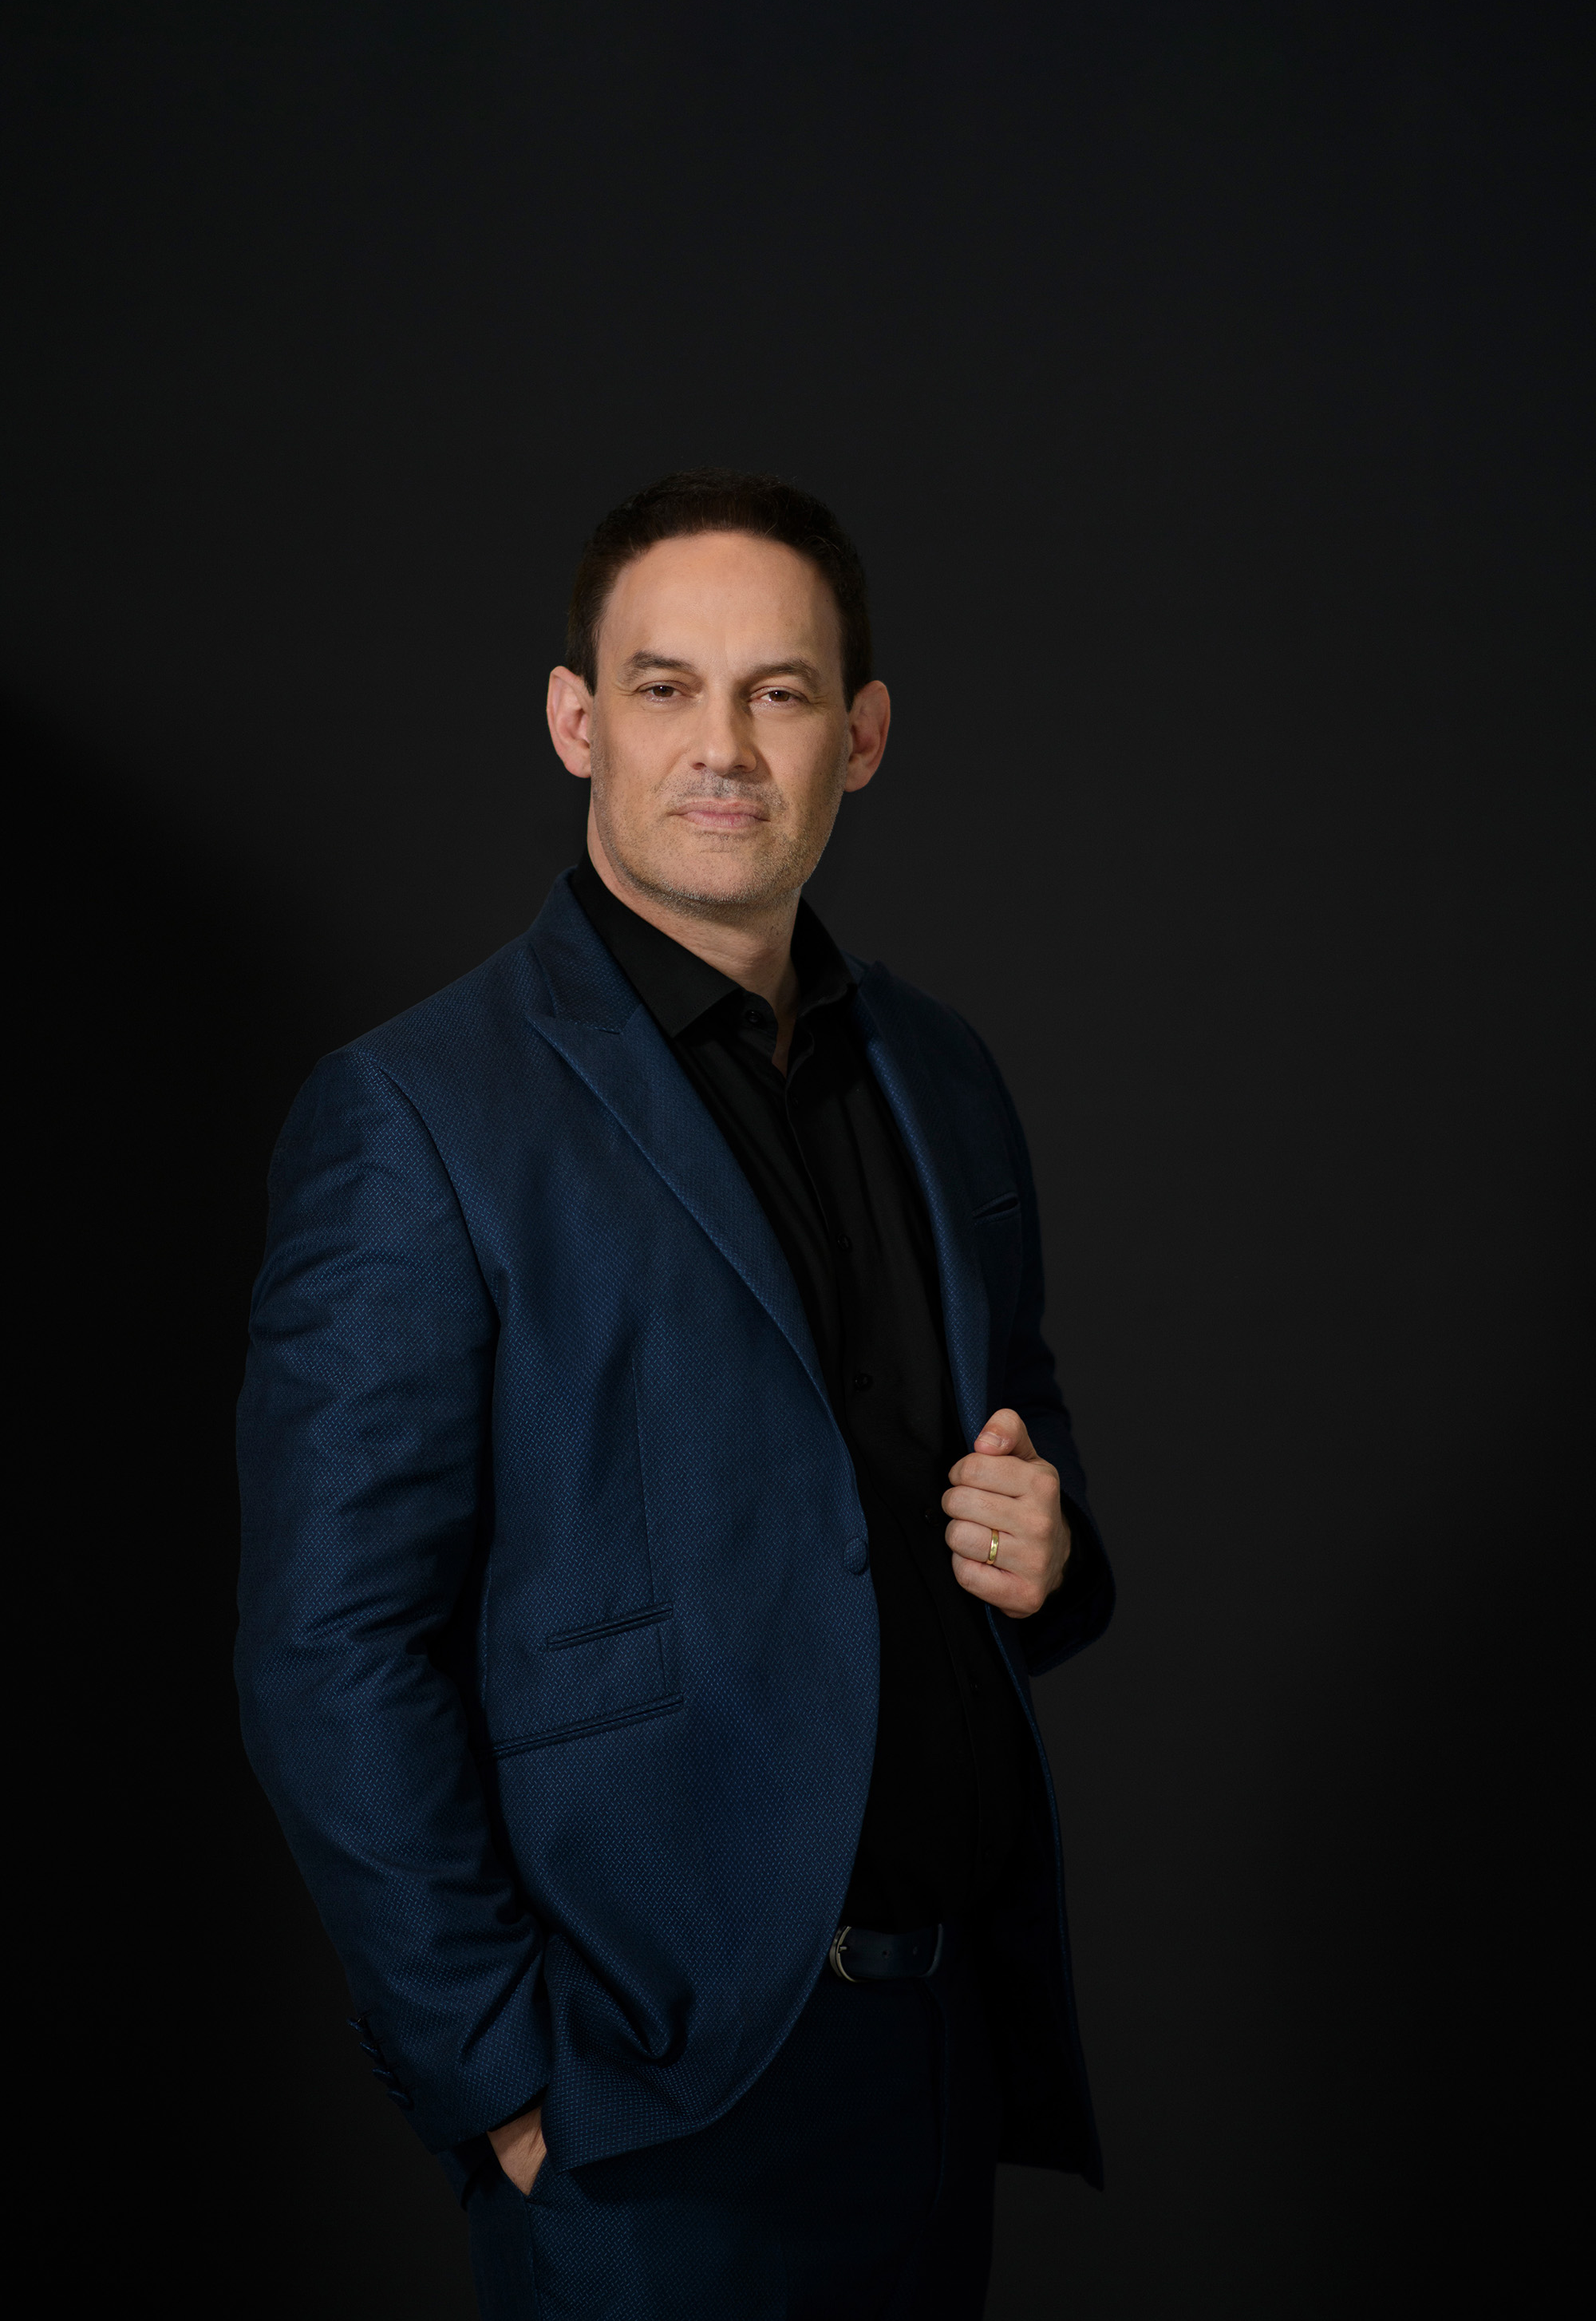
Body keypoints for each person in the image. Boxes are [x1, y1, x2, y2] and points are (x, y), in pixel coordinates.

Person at [236, 469, 1115, 2319]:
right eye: (665, 687)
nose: (722, 745)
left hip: (932, 2062)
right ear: (578, 721)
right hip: (640, 2112)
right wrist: (502, 2081)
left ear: (859, 736)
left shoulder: (940, 1074)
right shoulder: (417, 1113)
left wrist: (1052, 1551)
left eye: (778, 693)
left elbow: (996, 1449)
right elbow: (328, 1647)